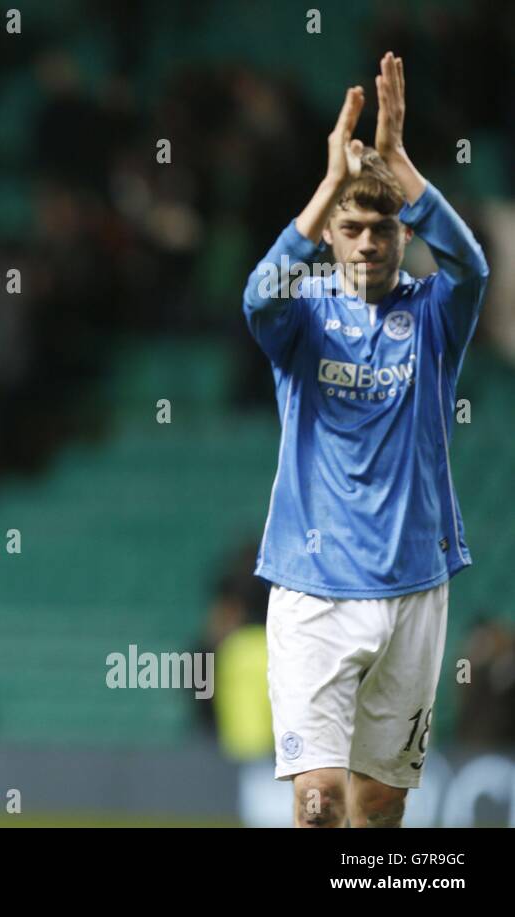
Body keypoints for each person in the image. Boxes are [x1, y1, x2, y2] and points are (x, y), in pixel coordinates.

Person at [243, 54, 488, 828]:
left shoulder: (435, 315)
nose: (368, 241)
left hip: (414, 585)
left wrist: (401, 168)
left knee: (378, 806)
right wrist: (325, 189)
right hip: (315, 587)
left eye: (383, 227)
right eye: (351, 227)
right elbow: (257, 296)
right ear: (333, 237)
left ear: (401, 235)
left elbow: (473, 266)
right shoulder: (303, 315)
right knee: (318, 804)